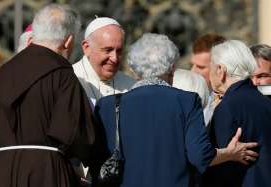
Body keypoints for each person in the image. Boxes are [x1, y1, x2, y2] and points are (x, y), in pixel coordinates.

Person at [94, 33, 258, 187]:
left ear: (133, 69)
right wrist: (230, 153)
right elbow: (200, 156)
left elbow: (95, 159)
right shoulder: (186, 101)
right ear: (172, 68)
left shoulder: (107, 106)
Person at [0, 4, 96, 187]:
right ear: (68, 41)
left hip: (1, 172)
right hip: (46, 172)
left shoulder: (3, 73)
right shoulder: (62, 74)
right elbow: (75, 135)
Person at [201, 40, 271, 187]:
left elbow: (222, 168)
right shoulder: (264, 100)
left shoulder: (228, 106)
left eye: (210, 68)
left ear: (221, 70)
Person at [73, 17, 135, 107]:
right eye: (108, 50)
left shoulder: (131, 86)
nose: (115, 59)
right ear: (86, 48)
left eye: (119, 51)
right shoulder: (71, 80)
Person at [191, 33, 226, 125]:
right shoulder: (194, 99)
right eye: (192, 65)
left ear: (219, 68)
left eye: (201, 67)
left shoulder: (230, 104)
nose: (192, 71)